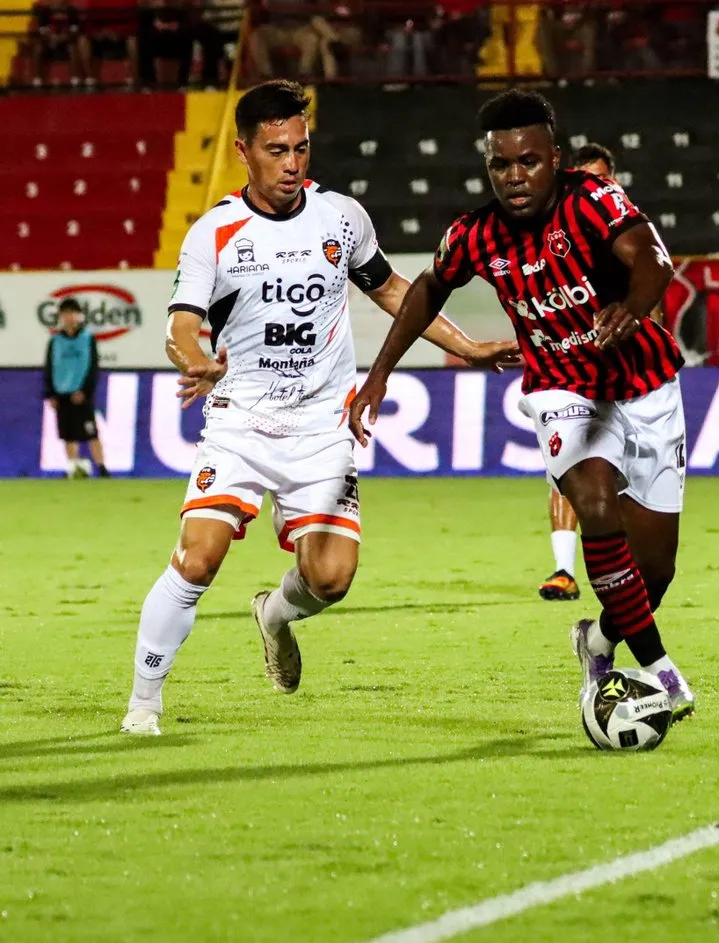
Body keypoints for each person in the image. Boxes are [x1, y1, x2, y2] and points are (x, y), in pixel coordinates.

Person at [119, 80, 518, 736]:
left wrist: (466, 347)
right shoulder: (214, 234)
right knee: (198, 559)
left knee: (331, 578)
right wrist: (192, 357)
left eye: (301, 147)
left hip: (322, 427)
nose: (293, 163)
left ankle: (274, 613)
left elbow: (391, 288)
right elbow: (180, 325)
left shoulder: (341, 218)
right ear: (244, 152)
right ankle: (144, 702)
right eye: (276, 150)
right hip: (241, 424)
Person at [349, 90, 695, 720]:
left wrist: (634, 305)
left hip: (648, 389)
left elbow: (651, 259)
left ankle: (598, 639)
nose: (514, 176)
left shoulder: (593, 202)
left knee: (656, 571)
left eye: (528, 162)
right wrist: (379, 373)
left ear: (555, 158)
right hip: (562, 388)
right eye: (501, 164)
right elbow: (427, 289)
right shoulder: (475, 234)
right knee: (591, 499)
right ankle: (662, 672)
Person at [538, 141, 618, 602]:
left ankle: (622, 574)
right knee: (568, 467)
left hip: (627, 377)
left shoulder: (631, 236)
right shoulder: (554, 239)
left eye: (599, 180)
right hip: (569, 372)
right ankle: (564, 571)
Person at [43, 298, 110, 479]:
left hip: (81, 393)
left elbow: (93, 366)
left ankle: (102, 469)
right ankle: (73, 467)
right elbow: (49, 366)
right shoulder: (55, 341)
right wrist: (50, 393)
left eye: (73, 313)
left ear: (79, 316)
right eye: (66, 314)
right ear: (61, 317)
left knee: (91, 432)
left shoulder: (87, 338)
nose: (69, 317)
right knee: (68, 434)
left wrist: (86, 391)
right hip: (61, 393)